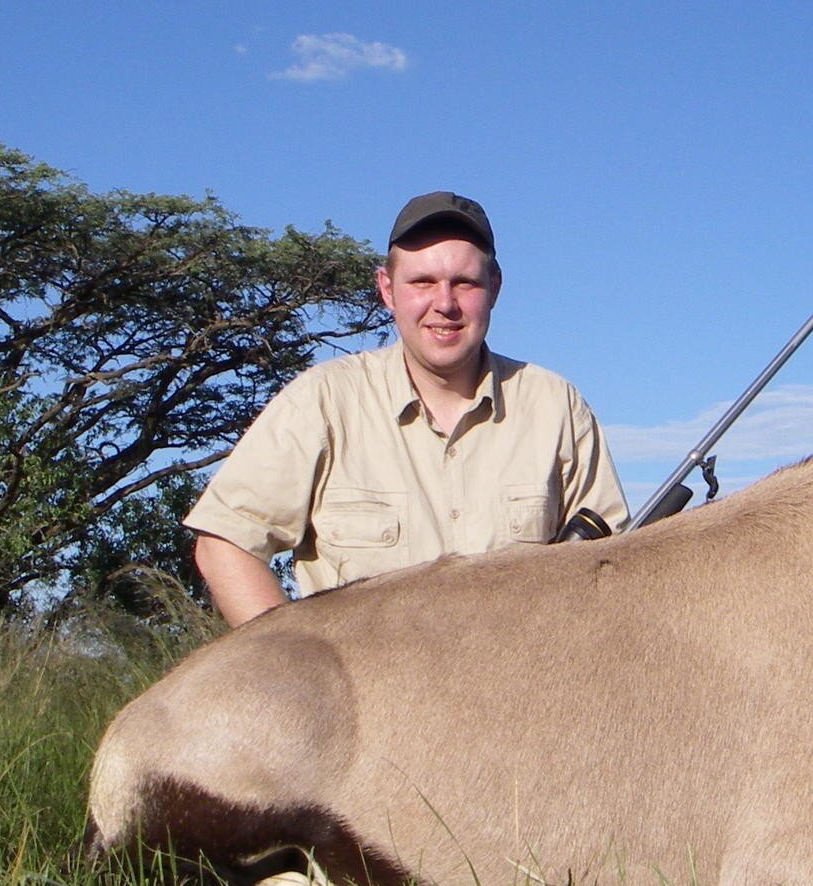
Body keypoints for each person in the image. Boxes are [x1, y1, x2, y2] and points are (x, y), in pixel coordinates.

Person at [185, 191, 628, 625]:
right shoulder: (322, 401)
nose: (445, 304)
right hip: (363, 697)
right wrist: (287, 667)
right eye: (422, 282)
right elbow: (225, 542)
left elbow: (617, 568)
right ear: (387, 290)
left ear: (494, 288)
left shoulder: (555, 405)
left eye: (465, 283)